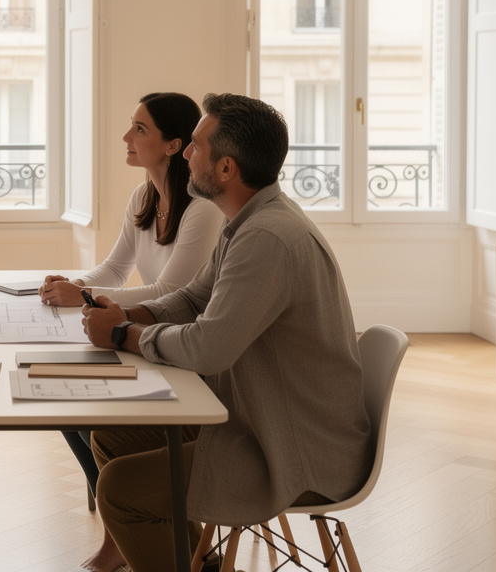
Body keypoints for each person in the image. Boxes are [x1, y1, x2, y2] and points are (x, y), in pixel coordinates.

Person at [77, 93, 373, 572]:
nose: (187, 155)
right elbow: (193, 298)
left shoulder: (266, 239)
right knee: (112, 434)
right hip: (261, 415)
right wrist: (136, 315)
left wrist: (123, 336)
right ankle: (202, 563)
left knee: (121, 491)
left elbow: (208, 348)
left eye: (195, 146)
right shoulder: (249, 221)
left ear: (227, 168)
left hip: (292, 447)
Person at [38, 92, 223, 569]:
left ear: (172, 144)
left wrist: (83, 300)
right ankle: (124, 525)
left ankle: (132, 523)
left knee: (95, 413)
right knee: (65, 401)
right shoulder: (143, 196)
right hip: (149, 339)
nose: (126, 137)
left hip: (182, 351)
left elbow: (171, 292)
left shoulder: (201, 210)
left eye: (140, 129)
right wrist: (75, 282)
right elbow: (115, 271)